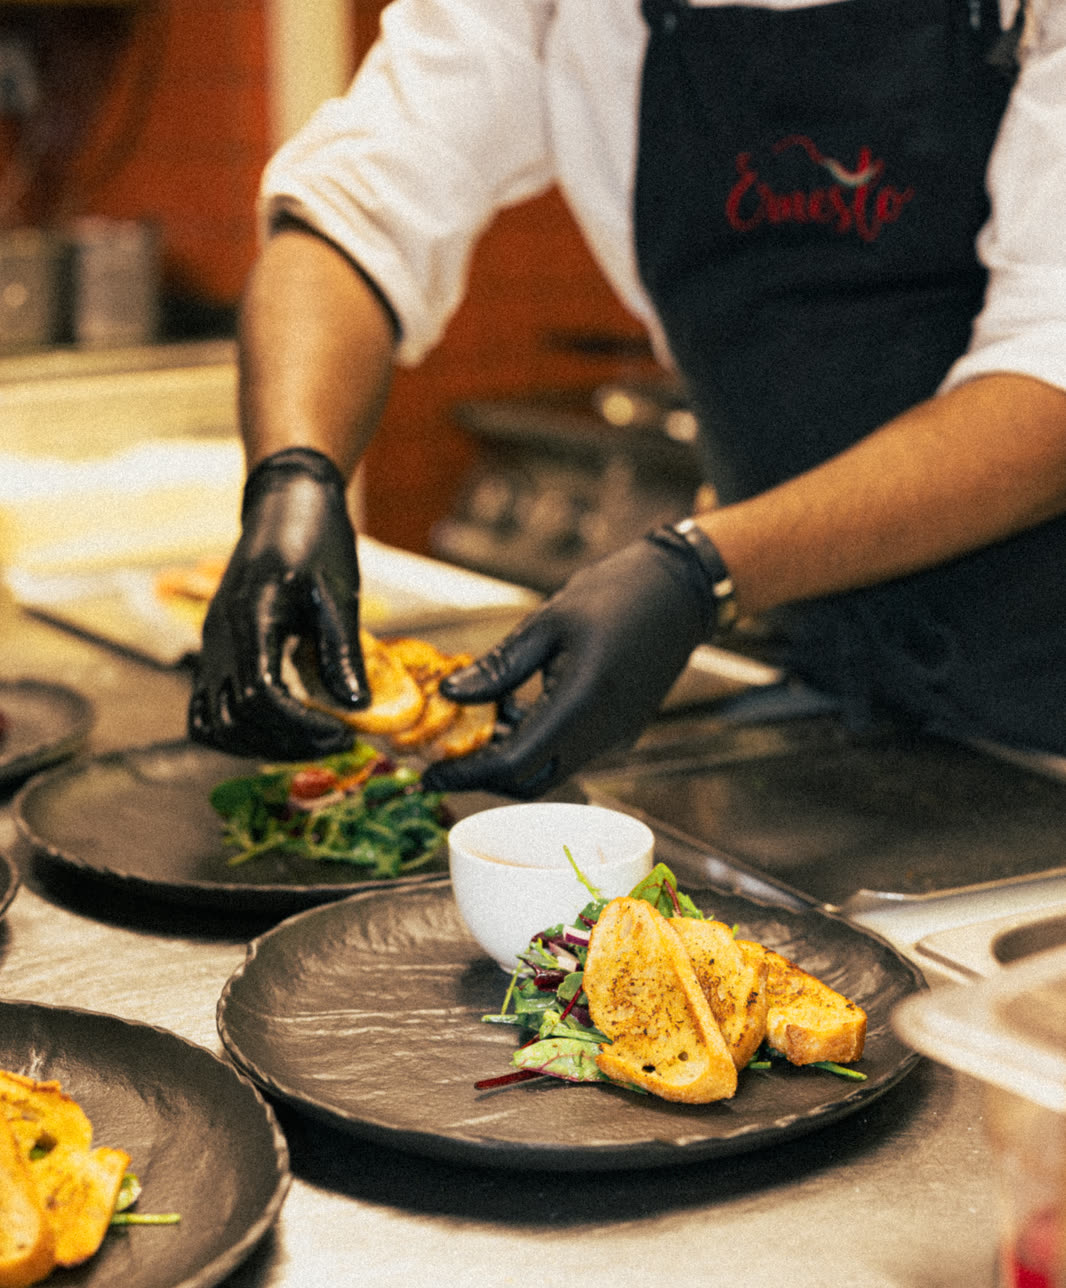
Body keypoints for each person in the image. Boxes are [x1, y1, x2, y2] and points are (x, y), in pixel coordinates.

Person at [188, 0, 1066, 798]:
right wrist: (294, 477)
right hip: (805, 662)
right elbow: (358, 206)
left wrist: (704, 571)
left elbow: (1049, 368)